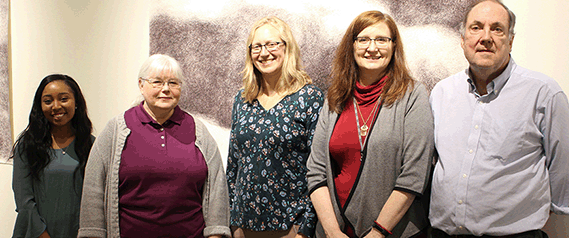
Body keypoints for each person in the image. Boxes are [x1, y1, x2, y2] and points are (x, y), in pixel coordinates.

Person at [429, 0, 569, 237]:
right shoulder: (441, 92)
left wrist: (551, 209)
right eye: (476, 27)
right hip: (443, 233)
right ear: (462, 38)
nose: (485, 37)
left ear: (510, 40)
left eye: (497, 29)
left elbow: (564, 162)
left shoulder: (544, 93)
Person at [307, 11, 434, 238]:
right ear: (352, 46)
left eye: (381, 40)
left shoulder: (413, 95)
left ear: (394, 46)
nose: (372, 48)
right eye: (363, 39)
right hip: (335, 231)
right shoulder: (335, 97)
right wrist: (332, 231)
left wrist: (378, 232)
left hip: (393, 232)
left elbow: (415, 174)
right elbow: (316, 171)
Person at [78, 54, 230, 238]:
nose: (166, 89)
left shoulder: (198, 130)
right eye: (157, 82)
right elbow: (94, 188)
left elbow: (216, 188)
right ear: (141, 85)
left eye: (173, 83)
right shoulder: (117, 129)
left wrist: (216, 234)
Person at [226, 16, 323, 238]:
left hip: (290, 226)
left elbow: (319, 168)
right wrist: (229, 222)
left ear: (287, 47)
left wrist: (306, 229)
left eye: (272, 44)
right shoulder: (242, 100)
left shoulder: (309, 98)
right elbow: (233, 166)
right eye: (257, 46)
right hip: (242, 226)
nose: (264, 52)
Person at [12, 74, 94, 238]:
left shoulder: (91, 145)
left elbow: (95, 199)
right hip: (35, 234)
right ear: (40, 106)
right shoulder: (27, 146)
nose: (56, 106)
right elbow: (24, 201)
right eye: (48, 101)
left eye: (64, 99)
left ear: (76, 102)